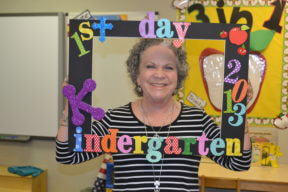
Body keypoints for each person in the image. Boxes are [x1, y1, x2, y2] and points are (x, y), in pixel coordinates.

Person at [56, 38, 252, 192]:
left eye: (169, 67)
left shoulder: (198, 120)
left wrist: (239, 116)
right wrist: (69, 110)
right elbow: (67, 154)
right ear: (137, 76)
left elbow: (238, 162)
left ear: (178, 77)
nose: (160, 74)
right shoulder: (115, 119)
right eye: (150, 66)